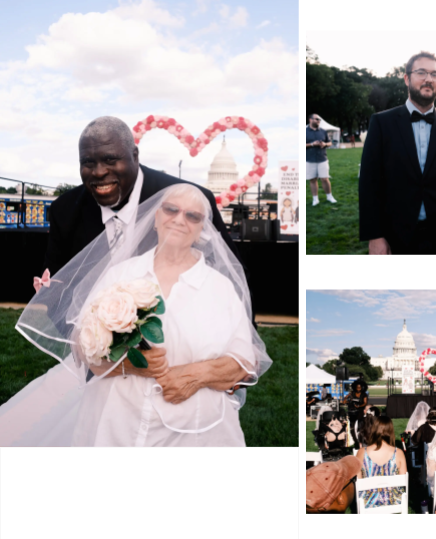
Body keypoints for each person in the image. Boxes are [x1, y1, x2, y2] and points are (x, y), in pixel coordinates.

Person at [3, 184, 270, 446]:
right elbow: (84, 345)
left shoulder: (220, 288)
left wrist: (193, 375)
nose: (179, 219)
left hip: (192, 433)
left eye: (192, 216)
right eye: (171, 210)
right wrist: (127, 364)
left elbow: (245, 361)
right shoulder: (120, 274)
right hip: (116, 424)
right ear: (156, 217)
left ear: (202, 229)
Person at [43, 116, 236, 279]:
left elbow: (229, 275)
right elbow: (56, 289)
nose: (99, 172)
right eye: (87, 162)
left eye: (110, 159)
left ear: (135, 156)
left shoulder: (189, 200)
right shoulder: (65, 210)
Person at [358, 51, 436, 255]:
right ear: (406, 78)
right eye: (421, 72)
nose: (429, 79)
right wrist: (375, 236)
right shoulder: (382, 123)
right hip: (395, 236)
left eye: (435, 74)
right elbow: (369, 182)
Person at [356, 416, 408, 510]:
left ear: (374, 430)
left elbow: (358, 480)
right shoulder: (399, 453)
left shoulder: (361, 452)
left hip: (368, 501)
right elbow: (402, 482)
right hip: (394, 500)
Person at [306, 113, 335, 206]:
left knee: (325, 179)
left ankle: (329, 197)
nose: (318, 121)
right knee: (313, 180)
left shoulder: (323, 131)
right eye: (316, 119)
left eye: (319, 120)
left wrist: (325, 144)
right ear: (310, 120)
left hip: (322, 158)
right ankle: (315, 199)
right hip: (309, 159)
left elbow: (330, 142)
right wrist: (312, 144)